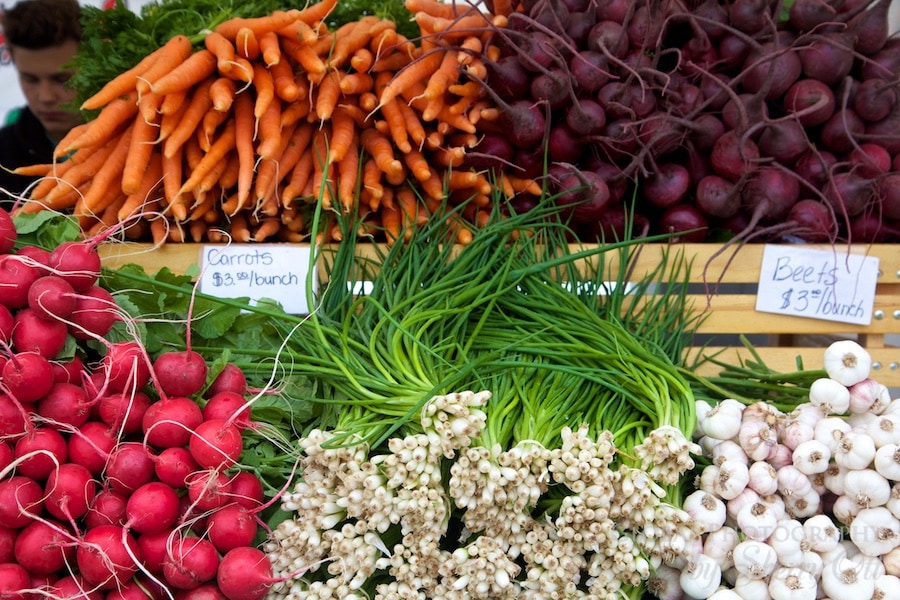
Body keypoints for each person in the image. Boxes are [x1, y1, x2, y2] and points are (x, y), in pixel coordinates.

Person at [0, 0, 83, 208]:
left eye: (62, 79)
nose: (46, 97)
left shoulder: (146, 145)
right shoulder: (3, 153)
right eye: (30, 79)